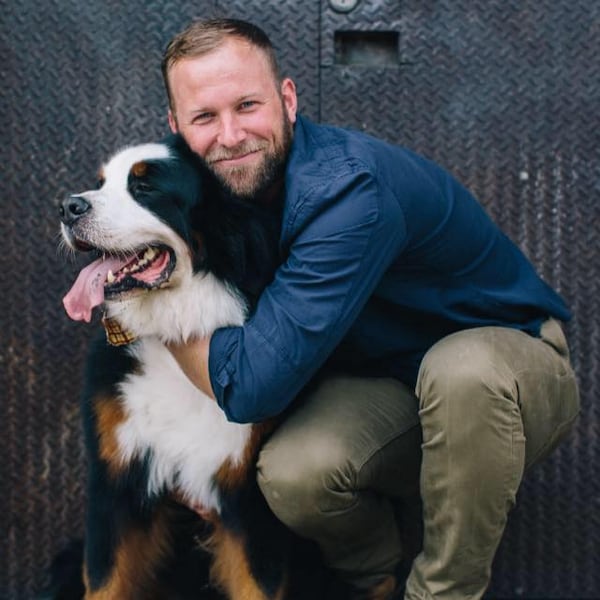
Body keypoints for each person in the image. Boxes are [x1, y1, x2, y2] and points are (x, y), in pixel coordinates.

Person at [162, 18, 580, 600]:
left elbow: (252, 382)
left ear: (287, 99)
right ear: (177, 127)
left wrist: (149, 312)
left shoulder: (348, 191)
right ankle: (373, 581)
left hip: (509, 375)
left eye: (248, 106)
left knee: (462, 371)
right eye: (205, 117)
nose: (230, 135)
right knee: (295, 472)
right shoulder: (202, 196)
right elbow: (204, 329)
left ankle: (444, 594)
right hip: (391, 384)